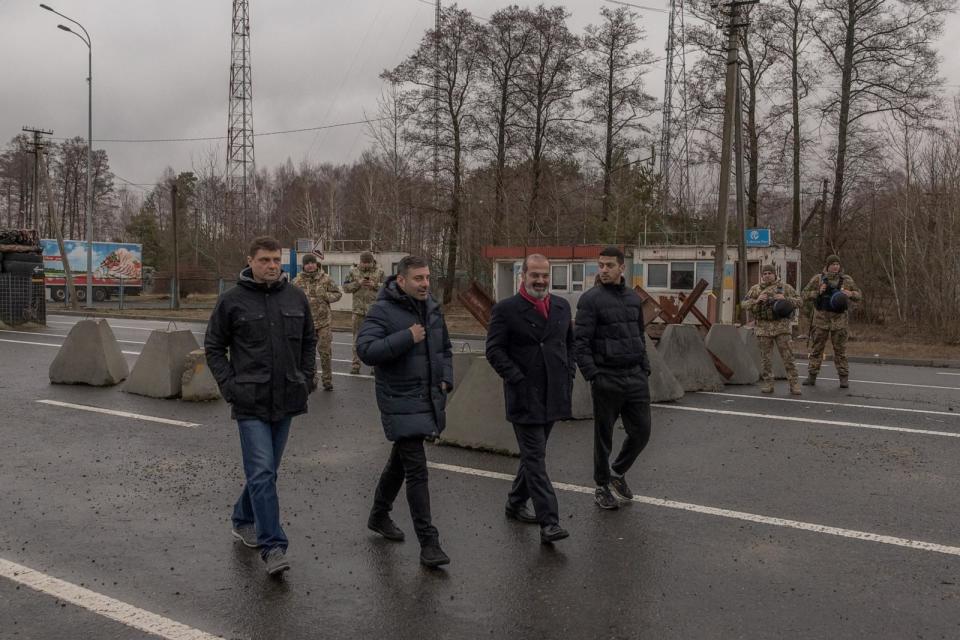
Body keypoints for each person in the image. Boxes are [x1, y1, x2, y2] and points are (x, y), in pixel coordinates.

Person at [204, 236, 318, 576]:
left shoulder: (296, 297)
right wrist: (230, 386)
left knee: (265, 472)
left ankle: (242, 517)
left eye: (275, 260)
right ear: (250, 260)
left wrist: (307, 377)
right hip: (250, 401)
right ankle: (273, 547)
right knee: (263, 472)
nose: (271, 266)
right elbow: (213, 346)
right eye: (265, 260)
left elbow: (309, 340)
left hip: (286, 399)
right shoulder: (232, 301)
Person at [357, 255, 453, 568]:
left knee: (401, 460)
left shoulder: (433, 309)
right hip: (399, 399)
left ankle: (379, 514)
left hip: (426, 397)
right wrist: (407, 337)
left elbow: (444, 349)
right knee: (417, 469)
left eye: (427, 278)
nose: (425, 284)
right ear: (401, 281)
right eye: (418, 279)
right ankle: (429, 543)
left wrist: (446, 379)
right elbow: (366, 351)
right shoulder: (382, 311)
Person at [486, 254, 573, 544]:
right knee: (536, 458)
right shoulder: (506, 310)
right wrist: (517, 377)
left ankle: (514, 503)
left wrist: (568, 372)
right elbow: (494, 350)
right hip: (525, 395)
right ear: (523, 275)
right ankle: (550, 522)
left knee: (532, 455)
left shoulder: (561, 306)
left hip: (554, 394)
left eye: (545, 275)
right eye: (534, 275)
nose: (540, 281)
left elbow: (568, 344)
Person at [575, 246, 652, 510]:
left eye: (609, 265)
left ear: (622, 267)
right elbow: (580, 342)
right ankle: (601, 485)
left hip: (635, 376)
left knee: (642, 431)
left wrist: (645, 367)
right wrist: (593, 375)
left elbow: (639, 335)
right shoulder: (590, 300)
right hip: (606, 377)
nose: (604, 270)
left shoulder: (632, 299)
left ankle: (617, 473)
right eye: (601, 265)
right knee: (603, 436)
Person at [801, 254, 864, 388]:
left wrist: (851, 294)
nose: (835, 267)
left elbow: (859, 295)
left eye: (837, 264)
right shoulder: (818, 279)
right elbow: (804, 294)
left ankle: (843, 378)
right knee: (817, 350)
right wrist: (817, 291)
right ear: (827, 266)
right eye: (832, 264)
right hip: (820, 320)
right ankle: (812, 376)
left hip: (839, 321)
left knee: (840, 351)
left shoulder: (846, 280)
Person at [742, 264, 803, 395]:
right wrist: (756, 300)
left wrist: (785, 299)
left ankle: (794, 384)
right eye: (765, 273)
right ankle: (768, 383)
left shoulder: (784, 288)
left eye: (770, 273)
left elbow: (800, 301)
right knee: (766, 359)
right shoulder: (755, 289)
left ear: (775, 274)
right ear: (762, 276)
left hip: (782, 327)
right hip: (763, 329)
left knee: (788, 357)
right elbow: (744, 303)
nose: (767, 275)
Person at [292, 253, 343, 391]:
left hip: (323, 322)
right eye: (307, 263)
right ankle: (311, 379)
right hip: (306, 324)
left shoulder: (325, 278)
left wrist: (326, 296)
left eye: (312, 263)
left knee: (325, 352)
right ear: (303, 265)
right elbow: (291, 299)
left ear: (316, 264)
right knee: (308, 354)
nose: (310, 265)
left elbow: (338, 294)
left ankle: (327, 380)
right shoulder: (297, 281)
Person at [343, 251, 385, 374]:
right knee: (356, 339)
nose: (366, 265)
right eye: (364, 263)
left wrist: (375, 285)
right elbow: (345, 288)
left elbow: (388, 288)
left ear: (372, 262)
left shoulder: (380, 272)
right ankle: (356, 365)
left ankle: (374, 366)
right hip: (358, 311)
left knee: (375, 338)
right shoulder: (353, 272)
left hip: (374, 312)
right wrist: (358, 283)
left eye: (368, 263)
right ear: (360, 262)